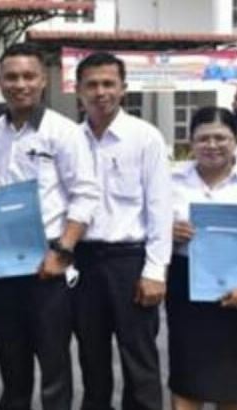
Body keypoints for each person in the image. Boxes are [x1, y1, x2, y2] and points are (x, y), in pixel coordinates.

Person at [0, 42, 99, 410]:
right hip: (3, 255)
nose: (20, 84)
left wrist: (63, 250)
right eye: (12, 77)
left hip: (48, 255)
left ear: (43, 80)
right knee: (11, 355)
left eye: (29, 76)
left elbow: (85, 195)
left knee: (53, 359)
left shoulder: (64, 132)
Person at [72, 52, 172, 410]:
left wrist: (155, 270)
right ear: (78, 90)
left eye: (108, 84)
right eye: (92, 85)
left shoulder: (145, 138)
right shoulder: (70, 139)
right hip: (83, 260)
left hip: (129, 260)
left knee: (139, 357)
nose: (100, 92)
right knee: (91, 356)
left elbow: (160, 207)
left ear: (123, 88)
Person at [168, 106, 237, 410]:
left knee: (231, 379)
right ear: (191, 142)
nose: (212, 145)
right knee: (187, 371)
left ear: (234, 140)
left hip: (235, 283)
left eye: (220, 138)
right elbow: (149, 225)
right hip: (186, 282)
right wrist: (169, 231)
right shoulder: (171, 180)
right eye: (203, 138)